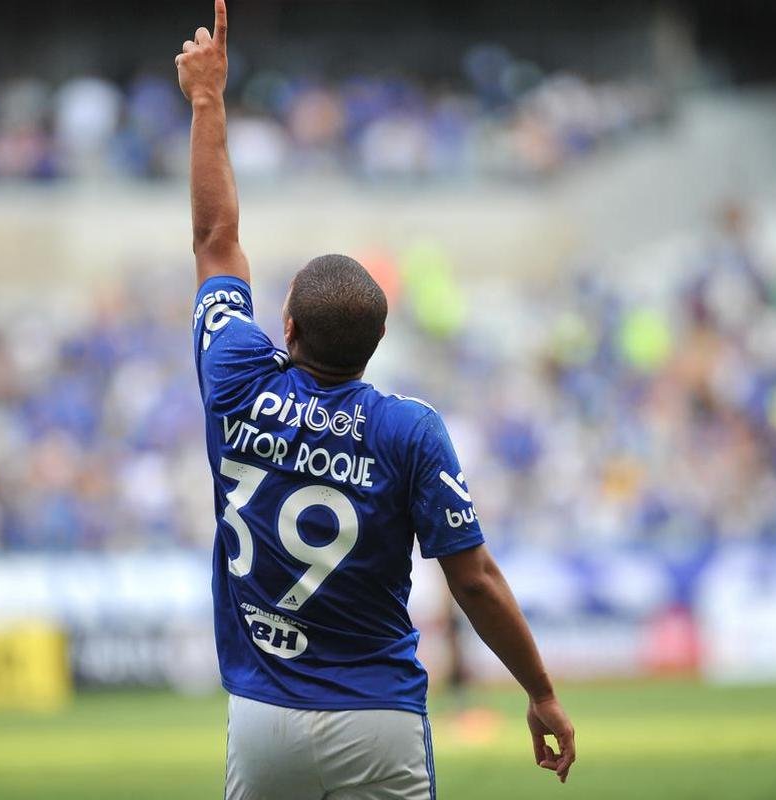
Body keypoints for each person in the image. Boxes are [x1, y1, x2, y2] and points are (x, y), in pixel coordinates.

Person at [176, 4, 575, 797]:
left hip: (263, 714)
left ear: (283, 326)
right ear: (375, 343)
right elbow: (475, 582)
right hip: (379, 718)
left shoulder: (233, 376)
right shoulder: (409, 431)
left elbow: (215, 239)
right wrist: (539, 690)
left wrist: (208, 100)